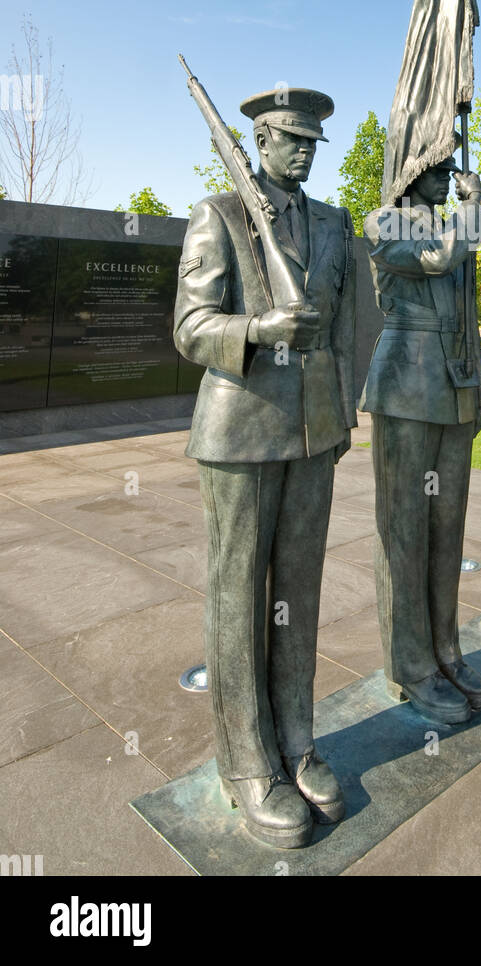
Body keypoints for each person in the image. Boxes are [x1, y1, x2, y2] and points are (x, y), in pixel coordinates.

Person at [174, 86, 356, 849]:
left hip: (313, 431)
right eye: (291, 137)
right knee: (240, 598)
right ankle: (248, 763)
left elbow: (346, 325)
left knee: (299, 596)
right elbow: (190, 327)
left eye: (314, 138)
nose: (306, 149)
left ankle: (296, 741)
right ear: (258, 140)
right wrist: (261, 327)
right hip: (242, 431)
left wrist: (342, 415)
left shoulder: (333, 223)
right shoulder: (218, 214)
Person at [361, 150, 481, 725]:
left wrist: (476, 388)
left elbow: (469, 279)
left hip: (455, 379)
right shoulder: (383, 221)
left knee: (447, 526)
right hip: (407, 380)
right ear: (411, 177)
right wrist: (474, 206)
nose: (451, 181)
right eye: (440, 173)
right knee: (405, 527)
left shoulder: (453, 224)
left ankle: (445, 650)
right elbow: (441, 260)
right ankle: (409, 664)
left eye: (451, 173)